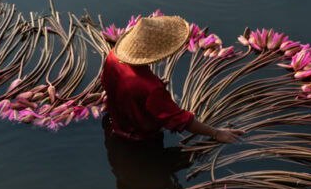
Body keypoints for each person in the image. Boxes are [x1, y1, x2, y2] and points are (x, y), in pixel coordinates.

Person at [102, 14, 240, 144]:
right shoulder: (151, 89)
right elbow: (179, 119)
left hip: (115, 122)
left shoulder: (113, 56)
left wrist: (155, 84)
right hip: (141, 139)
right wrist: (216, 133)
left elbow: (110, 84)